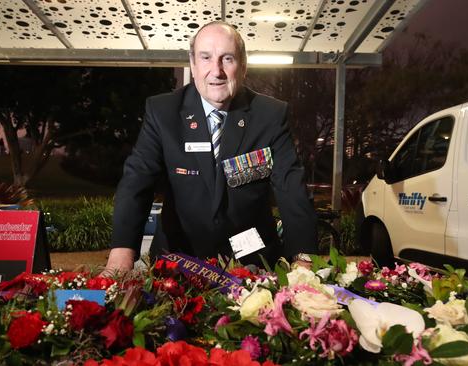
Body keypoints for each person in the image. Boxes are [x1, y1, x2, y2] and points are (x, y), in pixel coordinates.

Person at [103, 21, 317, 274]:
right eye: (206, 58)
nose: (216, 71)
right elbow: (136, 182)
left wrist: (304, 262)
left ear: (243, 66)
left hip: (251, 264)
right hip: (177, 261)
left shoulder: (270, 115)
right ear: (193, 65)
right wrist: (120, 258)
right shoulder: (163, 112)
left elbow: (291, 188)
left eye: (227, 59)